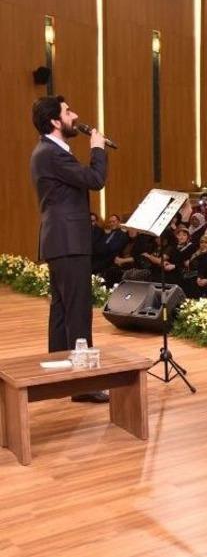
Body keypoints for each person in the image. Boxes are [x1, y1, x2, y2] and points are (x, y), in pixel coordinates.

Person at [29, 96, 108, 390]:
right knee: (77, 311)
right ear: (54, 121)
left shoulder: (49, 151)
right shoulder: (52, 153)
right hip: (68, 241)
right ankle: (84, 384)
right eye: (68, 111)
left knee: (62, 311)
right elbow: (95, 178)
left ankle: (64, 376)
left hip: (60, 240)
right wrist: (97, 148)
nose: (75, 116)